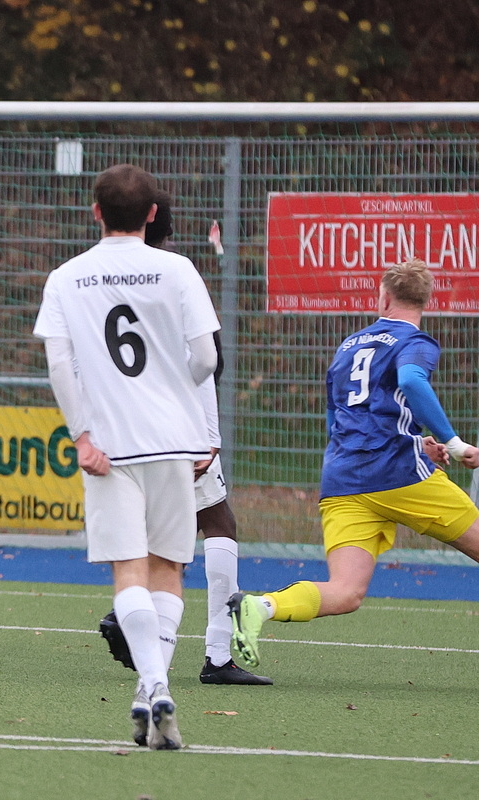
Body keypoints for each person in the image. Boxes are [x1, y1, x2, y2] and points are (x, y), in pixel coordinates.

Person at [228, 258, 479, 687]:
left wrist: (415, 442)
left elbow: (342, 419)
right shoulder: (414, 340)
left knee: (346, 591)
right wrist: (453, 443)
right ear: (426, 300)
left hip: (342, 479)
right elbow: (412, 382)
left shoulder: (348, 346)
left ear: (383, 297)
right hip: (399, 476)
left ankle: (261, 607)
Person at [33, 164, 220, 750]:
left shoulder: (67, 276)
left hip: (110, 447)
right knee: (168, 568)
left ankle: (153, 684)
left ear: (95, 212)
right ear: (152, 213)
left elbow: (59, 365)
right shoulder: (179, 269)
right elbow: (206, 359)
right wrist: (180, 401)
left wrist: (82, 436)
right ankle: (151, 686)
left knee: (128, 570)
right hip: (174, 442)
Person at [99, 192, 272, 686]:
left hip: (122, 428)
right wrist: (208, 435)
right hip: (174, 426)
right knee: (217, 523)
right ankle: (213, 654)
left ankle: (130, 613)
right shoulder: (176, 273)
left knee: (148, 534)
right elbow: (207, 361)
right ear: (159, 221)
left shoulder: (96, 275)